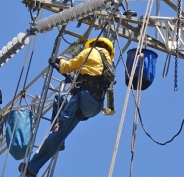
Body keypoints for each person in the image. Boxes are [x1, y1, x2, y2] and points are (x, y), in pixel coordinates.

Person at [19, 37, 116, 177]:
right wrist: (110, 108)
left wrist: (59, 61)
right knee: (60, 100)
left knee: (58, 133)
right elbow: (103, 85)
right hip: (95, 105)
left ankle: (31, 168)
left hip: (84, 98)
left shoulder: (90, 52)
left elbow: (66, 67)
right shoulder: (110, 64)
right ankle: (60, 140)